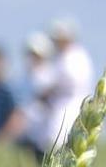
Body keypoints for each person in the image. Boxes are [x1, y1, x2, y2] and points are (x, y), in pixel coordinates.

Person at [40, 18, 94, 149]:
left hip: (69, 105)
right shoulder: (65, 56)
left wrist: (49, 91)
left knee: (59, 141)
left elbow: (67, 81)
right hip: (62, 104)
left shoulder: (74, 57)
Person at [6, 32, 55, 159]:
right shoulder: (23, 79)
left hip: (46, 136)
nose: (33, 58)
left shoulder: (51, 76)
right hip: (27, 136)